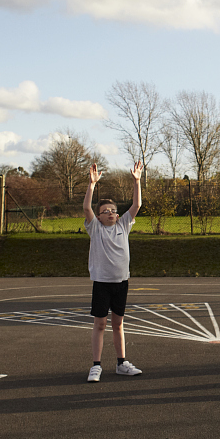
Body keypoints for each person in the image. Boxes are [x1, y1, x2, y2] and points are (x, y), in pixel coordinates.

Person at [83, 160, 143, 382]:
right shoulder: (95, 228)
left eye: (113, 210)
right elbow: (86, 208)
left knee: (118, 324)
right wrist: (91, 185)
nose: (110, 213)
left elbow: (136, 205)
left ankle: (121, 363)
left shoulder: (123, 226)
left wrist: (137, 181)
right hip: (102, 283)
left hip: (121, 282)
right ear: (98, 217)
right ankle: (96, 365)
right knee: (100, 324)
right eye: (105, 211)